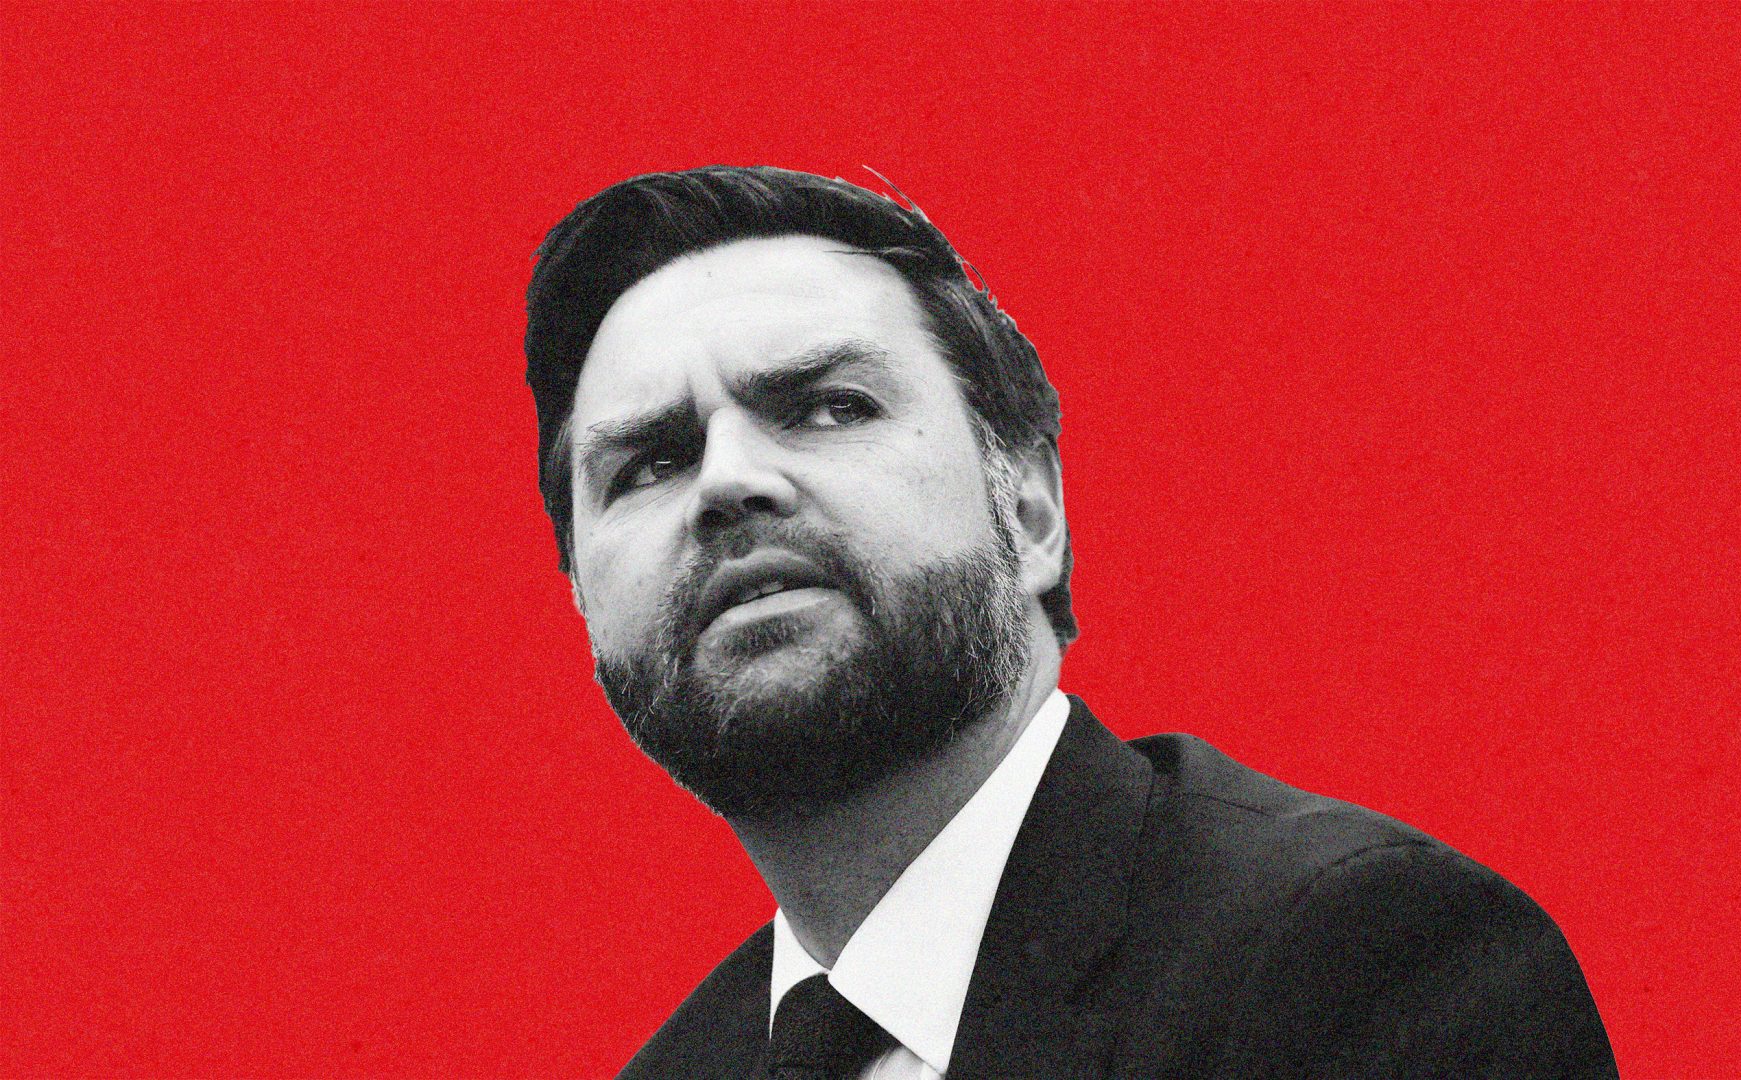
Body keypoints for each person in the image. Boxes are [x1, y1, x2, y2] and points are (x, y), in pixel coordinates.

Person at [524, 166, 1616, 1080]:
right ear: (580, 597)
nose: (727, 482)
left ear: (1031, 511)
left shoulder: (1359, 963)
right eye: (649, 464)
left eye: (828, 407)